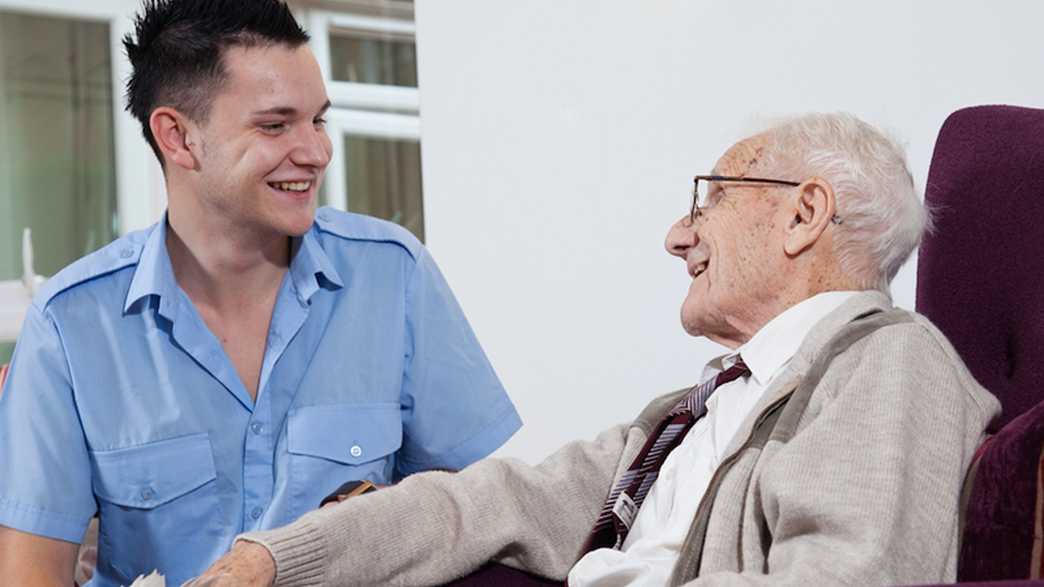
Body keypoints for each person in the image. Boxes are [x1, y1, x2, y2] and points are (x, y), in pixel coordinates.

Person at [194, 112, 999, 587]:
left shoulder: (889, 362)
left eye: (709, 198)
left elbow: (846, 576)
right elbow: (487, 503)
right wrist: (273, 559)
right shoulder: (690, 414)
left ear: (803, 215)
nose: (678, 234)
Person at [0, 1, 521, 585]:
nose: (316, 151)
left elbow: (467, 522)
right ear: (178, 138)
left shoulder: (394, 276)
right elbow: (30, 577)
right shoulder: (69, 327)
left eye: (318, 120)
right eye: (275, 125)